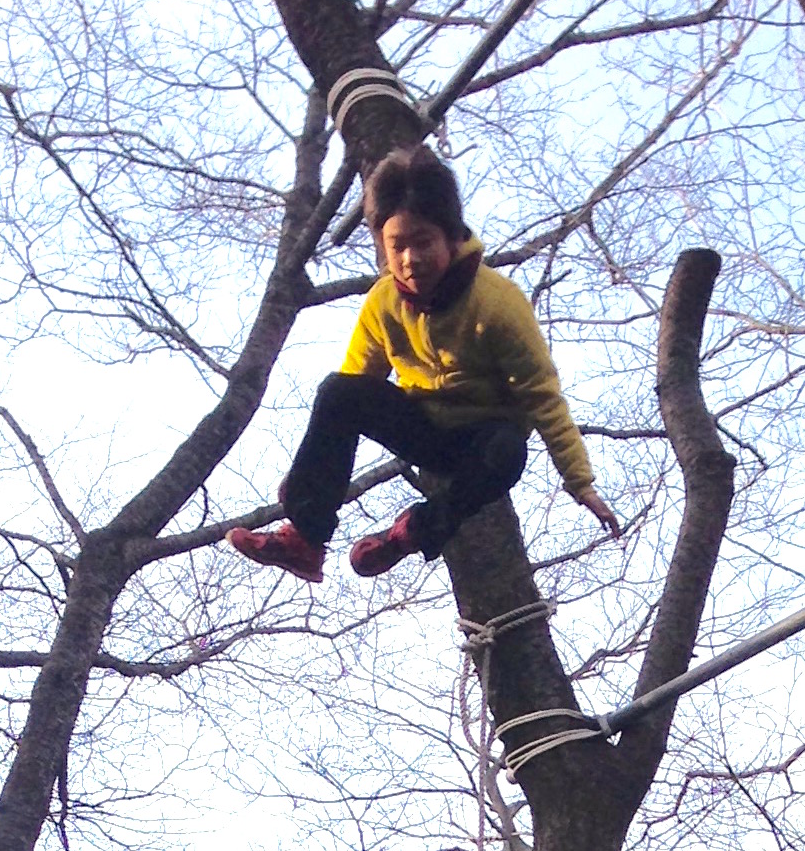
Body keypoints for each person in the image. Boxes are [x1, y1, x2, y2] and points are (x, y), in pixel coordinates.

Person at [227, 147, 621, 585]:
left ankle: (411, 532)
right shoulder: (383, 303)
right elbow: (357, 387)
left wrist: (580, 482)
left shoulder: (498, 303)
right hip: (421, 427)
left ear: (452, 239)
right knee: (337, 390)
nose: (411, 259)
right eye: (398, 246)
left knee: (509, 450)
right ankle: (305, 540)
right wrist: (310, 478)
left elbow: (545, 398)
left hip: (480, 442)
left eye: (423, 243)